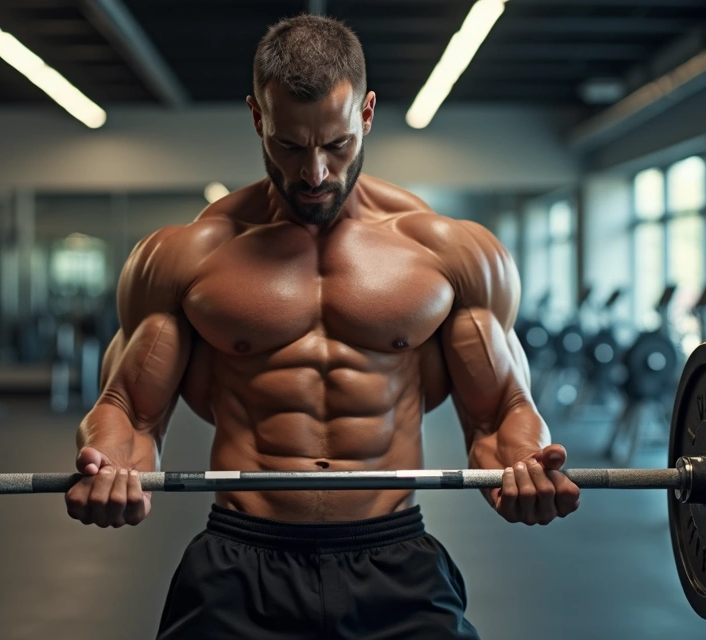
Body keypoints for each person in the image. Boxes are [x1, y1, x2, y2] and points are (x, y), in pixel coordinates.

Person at [66, 15, 580, 639]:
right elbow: (129, 411)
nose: (314, 173)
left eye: (336, 145)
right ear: (258, 117)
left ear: (366, 113)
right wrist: (111, 471)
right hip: (239, 560)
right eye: (289, 145)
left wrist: (526, 465)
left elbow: (502, 412)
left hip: (394, 556)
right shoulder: (185, 256)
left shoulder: (451, 253)